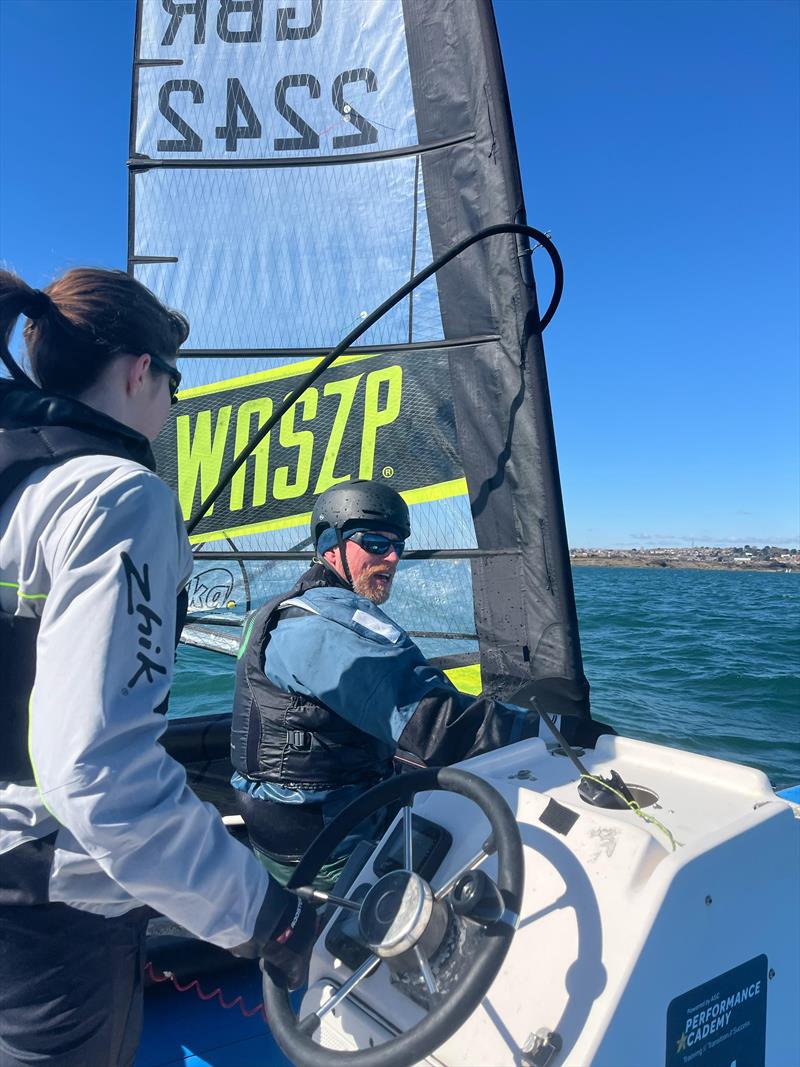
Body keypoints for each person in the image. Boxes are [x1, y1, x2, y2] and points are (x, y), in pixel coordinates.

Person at [0, 268, 315, 1067]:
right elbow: (96, 772)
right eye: (175, 383)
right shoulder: (120, 496)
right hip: (50, 927)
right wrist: (268, 918)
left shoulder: (15, 484)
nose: (173, 404)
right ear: (142, 370)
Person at [231, 479, 607, 890]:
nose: (391, 558)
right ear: (330, 546)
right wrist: (560, 732)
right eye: (374, 543)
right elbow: (435, 725)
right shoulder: (328, 626)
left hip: (278, 832)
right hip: (329, 845)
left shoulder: (276, 611)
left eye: (398, 545)